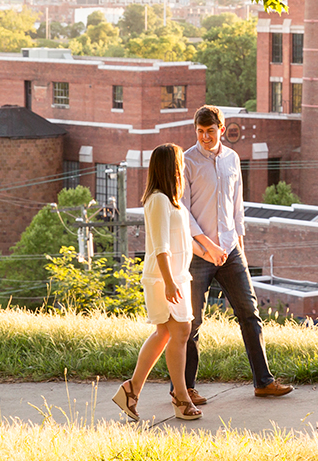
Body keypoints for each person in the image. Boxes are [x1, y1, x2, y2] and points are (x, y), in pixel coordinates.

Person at [182, 105, 293, 400]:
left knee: (250, 314)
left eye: (210, 131)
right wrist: (207, 245)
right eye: (200, 132)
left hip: (231, 252)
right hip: (199, 254)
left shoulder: (232, 159)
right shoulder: (187, 161)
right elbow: (183, 212)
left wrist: (239, 248)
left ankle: (263, 382)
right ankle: (184, 388)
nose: (205, 137)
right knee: (191, 322)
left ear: (221, 128)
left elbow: (236, 206)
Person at [113, 143, 202, 421]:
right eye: (179, 163)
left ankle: (132, 389)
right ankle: (180, 396)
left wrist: (209, 252)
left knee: (167, 333)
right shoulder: (158, 200)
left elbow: (181, 241)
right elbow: (161, 246)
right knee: (181, 331)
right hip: (164, 277)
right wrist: (169, 282)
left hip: (176, 276)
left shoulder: (171, 200)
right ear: (169, 167)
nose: (182, 168)